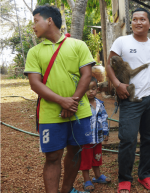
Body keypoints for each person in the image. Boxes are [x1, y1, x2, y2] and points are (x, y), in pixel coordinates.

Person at [24, 5, 95, 193]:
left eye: (35, 21)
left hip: (79, 111)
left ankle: (66, 189)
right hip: (50, 114)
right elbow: (35, 84)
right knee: (53, 157)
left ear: (49, 21)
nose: (33, 26)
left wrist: (72, 102)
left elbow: (86, 75)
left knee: (76, 151)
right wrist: (61, 101)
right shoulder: (34, 52)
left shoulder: (78, 45)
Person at [106, 7, 150, 193]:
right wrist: (117, 84)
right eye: (135, 19)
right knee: (128, 139)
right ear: (131, 22)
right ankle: (124, 179)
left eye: (142, 19)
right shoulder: (121, 42)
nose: (138, 22)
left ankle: (145, 175)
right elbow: (109, 65)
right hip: (130, 99)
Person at [80, 77, 111, 192]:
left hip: (97, 138)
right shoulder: (81, 105)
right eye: (87, 89)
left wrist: (105, 132)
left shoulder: (99, 104)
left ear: (97, 89)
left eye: (93, 88)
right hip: (86, 139)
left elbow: (104, 118)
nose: (91, 91)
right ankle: (86, 179)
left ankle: (97, 176)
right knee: (86, 159)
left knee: (97, 157)